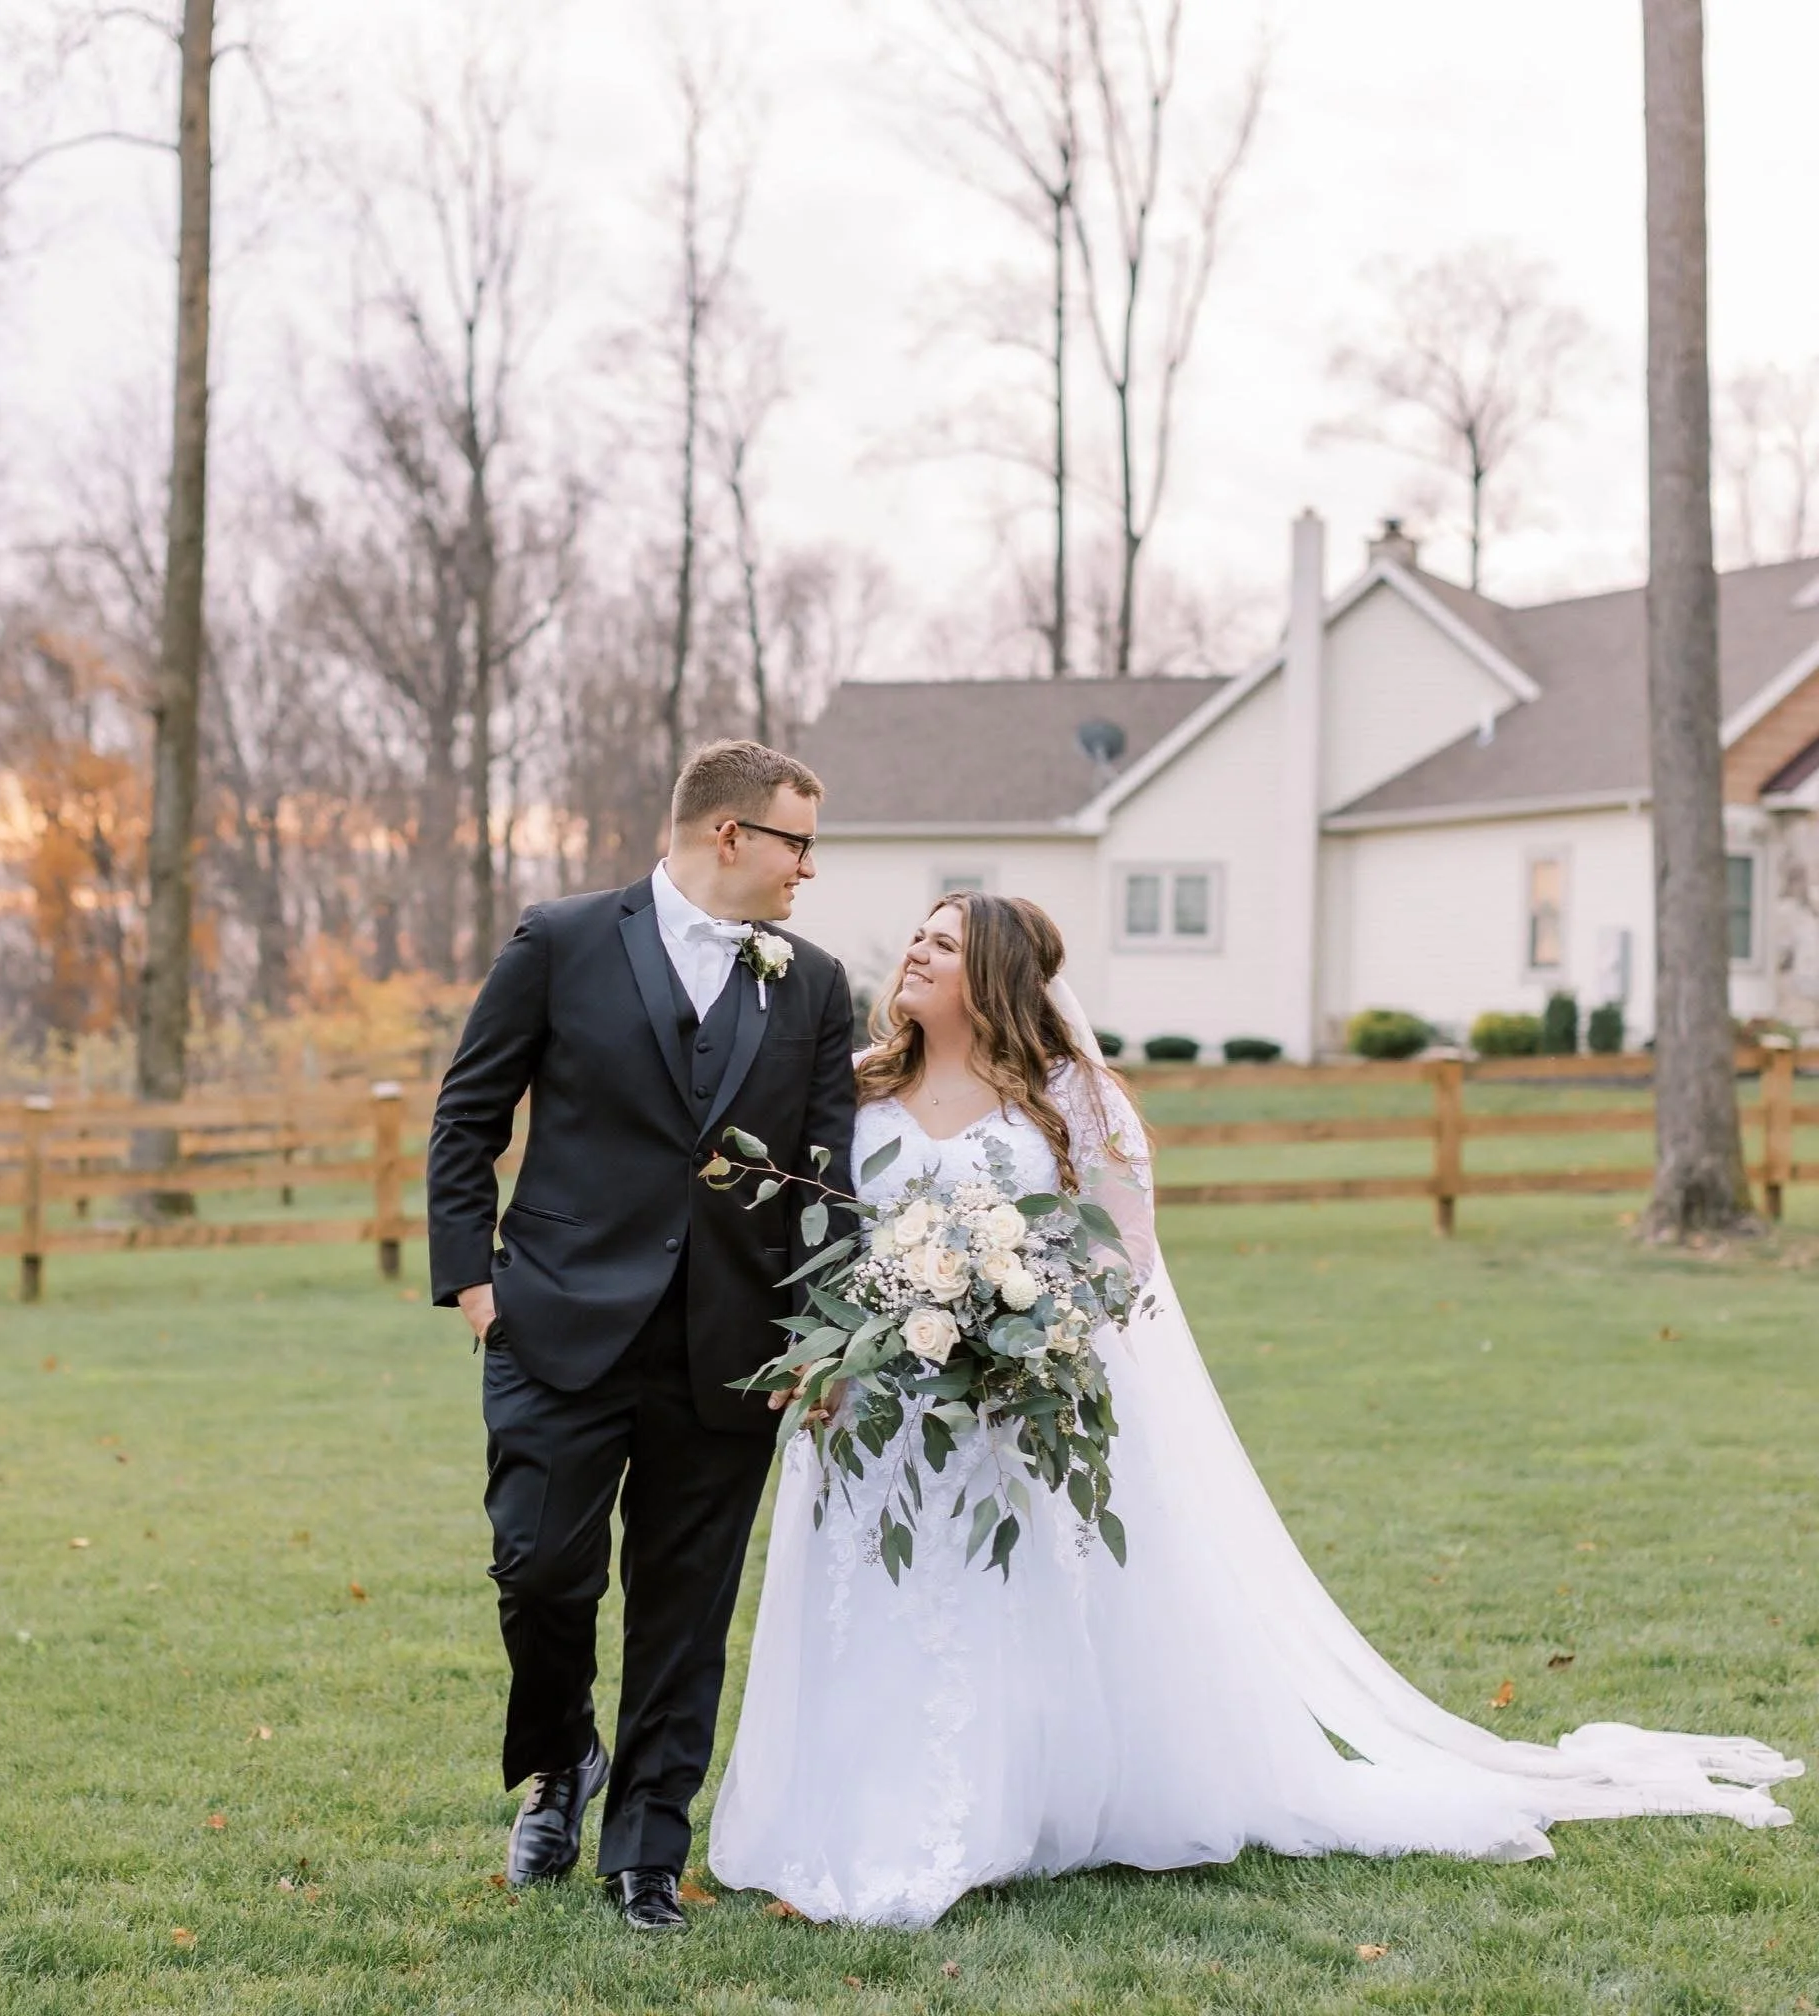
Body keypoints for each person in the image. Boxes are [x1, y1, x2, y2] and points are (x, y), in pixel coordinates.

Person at [709, 891, 1801, 1929]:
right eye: (917, 936)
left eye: (942, 944)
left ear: (989, 975)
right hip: (871, 1401)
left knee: (984, 1599)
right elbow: (819, 1231)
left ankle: (982, 1818)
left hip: (1002, 1399)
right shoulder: (857, 1085)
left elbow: (1122, 1250)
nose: (914, 953)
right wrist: (832, 1345)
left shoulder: (1073, 1100)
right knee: (869, 1595)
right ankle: (847, 1808)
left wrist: (1027, 1337)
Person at [427, 740, 858, 1932]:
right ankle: (563, 1759)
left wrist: (820, 1334)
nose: (807, 871)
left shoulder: (813, 984)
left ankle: (646, 1853)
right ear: (730, 836)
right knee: (538, 1567)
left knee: (685, 1602)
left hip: (732, 1345)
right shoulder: (560, 939)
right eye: (798, 843)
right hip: (554, 1322)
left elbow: (826, 1178)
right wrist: (474, 1284)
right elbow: (467, 1114)